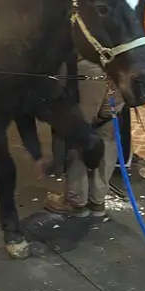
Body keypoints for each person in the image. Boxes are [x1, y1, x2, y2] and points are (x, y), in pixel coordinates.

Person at [44, 57, 124, 218]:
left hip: (88, 66)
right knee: (107, 134)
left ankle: (76, 201)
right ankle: (97, 200)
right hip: (119, 66)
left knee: (79, 135)